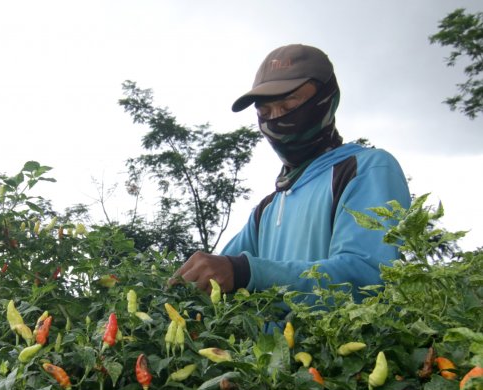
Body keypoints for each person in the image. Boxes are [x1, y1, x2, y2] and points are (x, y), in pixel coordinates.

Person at [173, 44, 411, 302]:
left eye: (289, 107)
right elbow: (219, 273)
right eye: (264, 113)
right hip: (270, 345)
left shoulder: (364, 169)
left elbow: (369, 279)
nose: (275, 120)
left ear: (328, 100)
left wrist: (246, 273)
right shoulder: (267, 209)